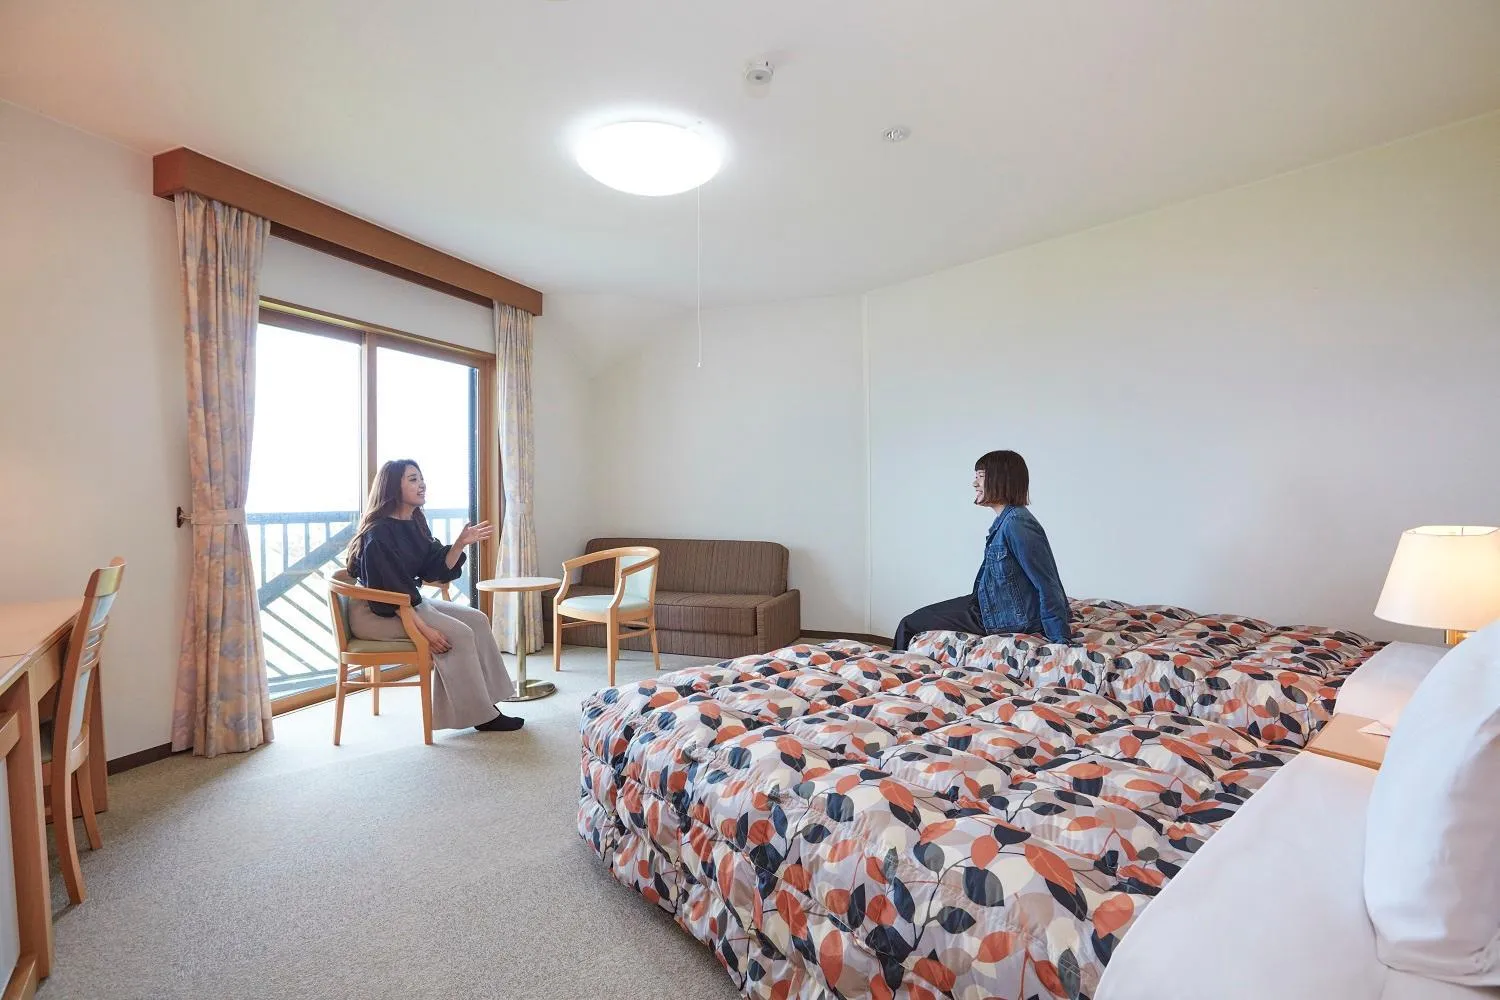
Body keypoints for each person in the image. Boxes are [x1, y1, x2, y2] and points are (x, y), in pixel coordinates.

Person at [345, 459, 523, 732]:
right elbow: (389, 597)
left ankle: (490, 700)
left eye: (421, 478)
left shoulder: (414, 521)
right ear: (394, 486)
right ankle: (481, 716)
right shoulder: (378, 535)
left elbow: (433, 569)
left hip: (407, 603)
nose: (422, 484)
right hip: (376, 614)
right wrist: (426, 632)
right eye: (413, 479)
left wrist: (461, 543)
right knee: (459, 634)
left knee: (477, 619)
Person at [892, 450, 1073, 651]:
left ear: (1000, 480)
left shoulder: (1017, 523)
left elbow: (1047, 584)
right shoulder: (1007, 520)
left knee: (908, 625)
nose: (974, 483)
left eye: (980, 476)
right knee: (914, 619)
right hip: (990, 604)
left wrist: (1059, 640)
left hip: (1005, 616)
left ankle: (897, 673)